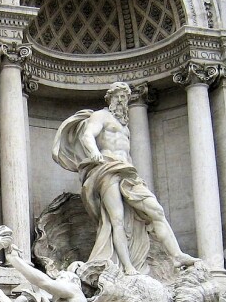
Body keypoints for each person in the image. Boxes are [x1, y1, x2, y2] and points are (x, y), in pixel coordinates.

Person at [52, 81, 196, 275]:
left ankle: (177, 255)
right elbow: (87, 135)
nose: (121, 101)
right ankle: (128, 267)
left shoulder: (125, 128)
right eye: (117, 96)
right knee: (116, 219)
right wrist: (94, 153)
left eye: (124, 97)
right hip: (107, 168)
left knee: (156, 211)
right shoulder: (101, 116)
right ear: (109, 99)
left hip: (127, 172)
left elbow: (127, 154)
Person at [3, 243, 87, 302]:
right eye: (57, 279)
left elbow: (44, 282)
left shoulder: (75, 291)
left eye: (62, 278)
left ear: (75, 282)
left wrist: (15, 260)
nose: (57, 281)